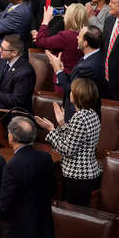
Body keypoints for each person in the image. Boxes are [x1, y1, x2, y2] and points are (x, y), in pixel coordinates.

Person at [0, 116, 55, 238]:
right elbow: (51, 190)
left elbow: (5, 207)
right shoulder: (46, 158)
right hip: (43, 235)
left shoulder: (12, 165)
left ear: (11, 137)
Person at [35, 78, 101, 207]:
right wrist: (62, 123)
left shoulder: (79, 117)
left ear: (77, 95)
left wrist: (51, 129)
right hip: (86, 174)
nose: (69, 92)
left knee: (74, 214)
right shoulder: (91, 114)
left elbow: (67, 150)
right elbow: (75, 140)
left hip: (78, 177)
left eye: (72, 90)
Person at [47, 25, 105, 121]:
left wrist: (58, 70)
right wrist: (61, 70)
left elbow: (73, 92)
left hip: (79, 117)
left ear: (85, 43)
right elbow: (74, 80)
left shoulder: (89, 66)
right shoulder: (91, 57)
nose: (77, 37)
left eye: (79, 36)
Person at [33, 2, 87, 91]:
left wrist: (45, 21)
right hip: (80, 83)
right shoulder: (86, 34)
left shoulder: (66, 36)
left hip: (64, 80)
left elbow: (40, 41)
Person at [0, 34, 36, 112]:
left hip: (15, 116)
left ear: (14, 53)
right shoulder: (2, 59)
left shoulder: (26, 72)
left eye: (3, 49)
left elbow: (17, 101)